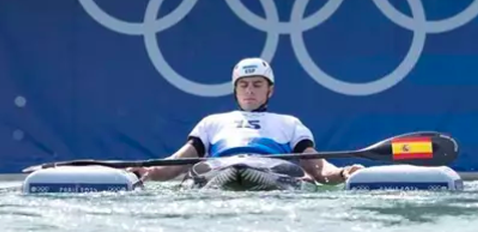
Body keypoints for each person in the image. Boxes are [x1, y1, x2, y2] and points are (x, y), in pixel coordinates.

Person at [128, 58, 365, 185]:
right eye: (243, 84)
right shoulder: (212, 122)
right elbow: (178, 163)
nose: (249, 90)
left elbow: (317, 167)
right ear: (235, 89)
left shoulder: (290, 123)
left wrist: (343, 172)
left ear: (270, 90)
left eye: (257, 84)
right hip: (220, 170)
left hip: (274, 172)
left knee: (303, 178)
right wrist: (146, 172)